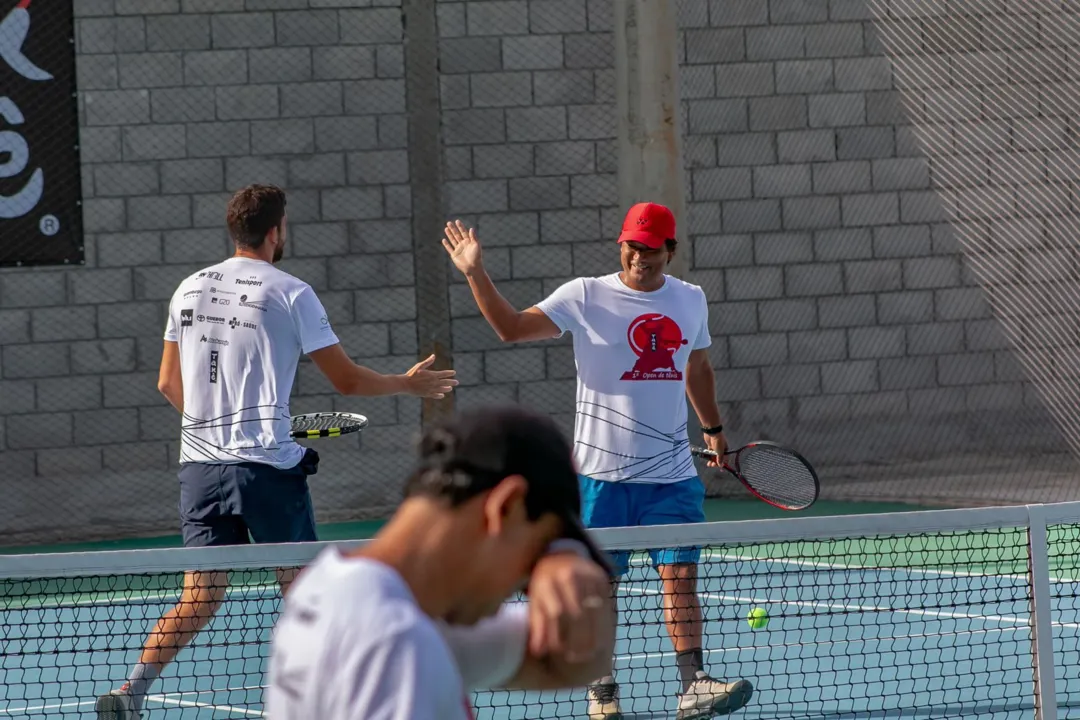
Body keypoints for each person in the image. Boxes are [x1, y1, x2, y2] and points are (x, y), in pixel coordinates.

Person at [95, 184, 458, 720]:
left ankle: (131, 692)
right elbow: (348, 382)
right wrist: (407, 386)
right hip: (265, 470)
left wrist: (217, 427)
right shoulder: (292, 292)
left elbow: (168, 384)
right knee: (307, 591)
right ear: (275, 231)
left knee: (200, 596)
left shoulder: (187, 289)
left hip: (199, 469)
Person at [441, 202, 753, 719]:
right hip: (600, 481)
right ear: (621, 245)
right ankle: (603, 691)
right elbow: (512, 328)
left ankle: (693, 683)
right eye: (632, 245)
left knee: (680, 579)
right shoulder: (584, 295)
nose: (640, 256)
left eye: (651, 249)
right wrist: (476, 273)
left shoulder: (691, 300)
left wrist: (714, 430)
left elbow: (697, 366)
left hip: (672, 477)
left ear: (669, 251)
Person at [265, 404, 616, 719]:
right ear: (506, 507)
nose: (522, 587)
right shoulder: (393, 640)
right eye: (531, 563)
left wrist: (565, 555)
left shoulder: (339, 590)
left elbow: (575, 659)